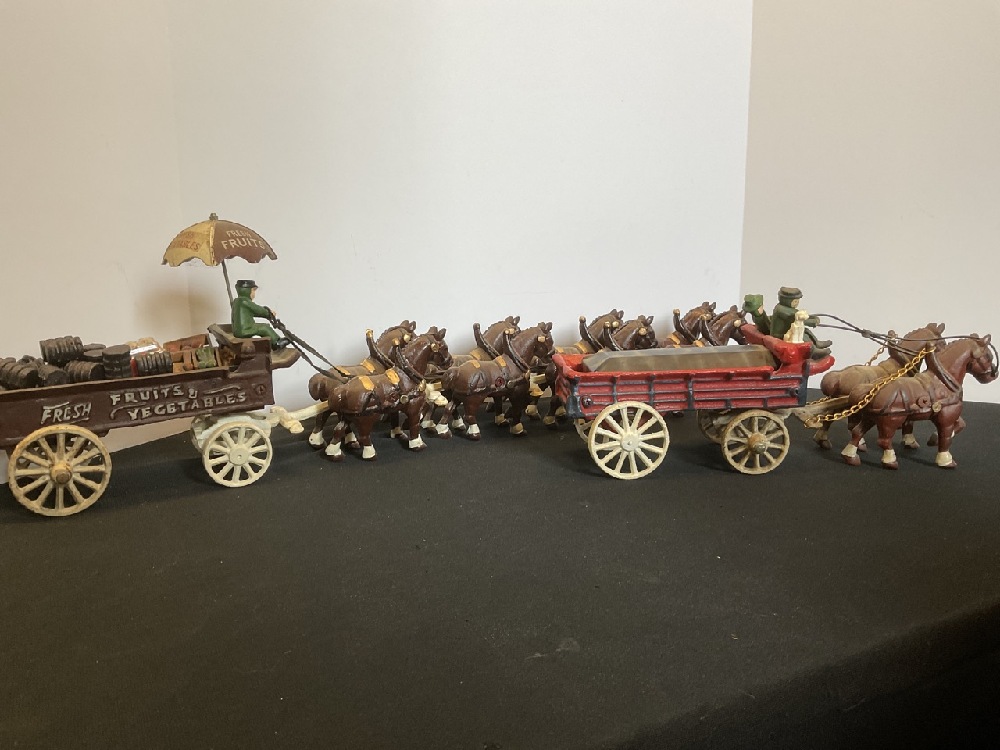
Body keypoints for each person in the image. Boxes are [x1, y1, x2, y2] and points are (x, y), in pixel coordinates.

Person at [231, 279, 289, 349]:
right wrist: (269, 313)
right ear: (247, 291)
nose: (254, 294)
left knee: (263, 326)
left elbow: (253, 311)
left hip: (239, 330)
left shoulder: (237, 301)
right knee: (265, 328)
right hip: (245, 330)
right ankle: (277, 343)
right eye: (253, 291)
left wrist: (266, 311)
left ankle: (271, 343)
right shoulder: (245, 302)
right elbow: (258, 310)